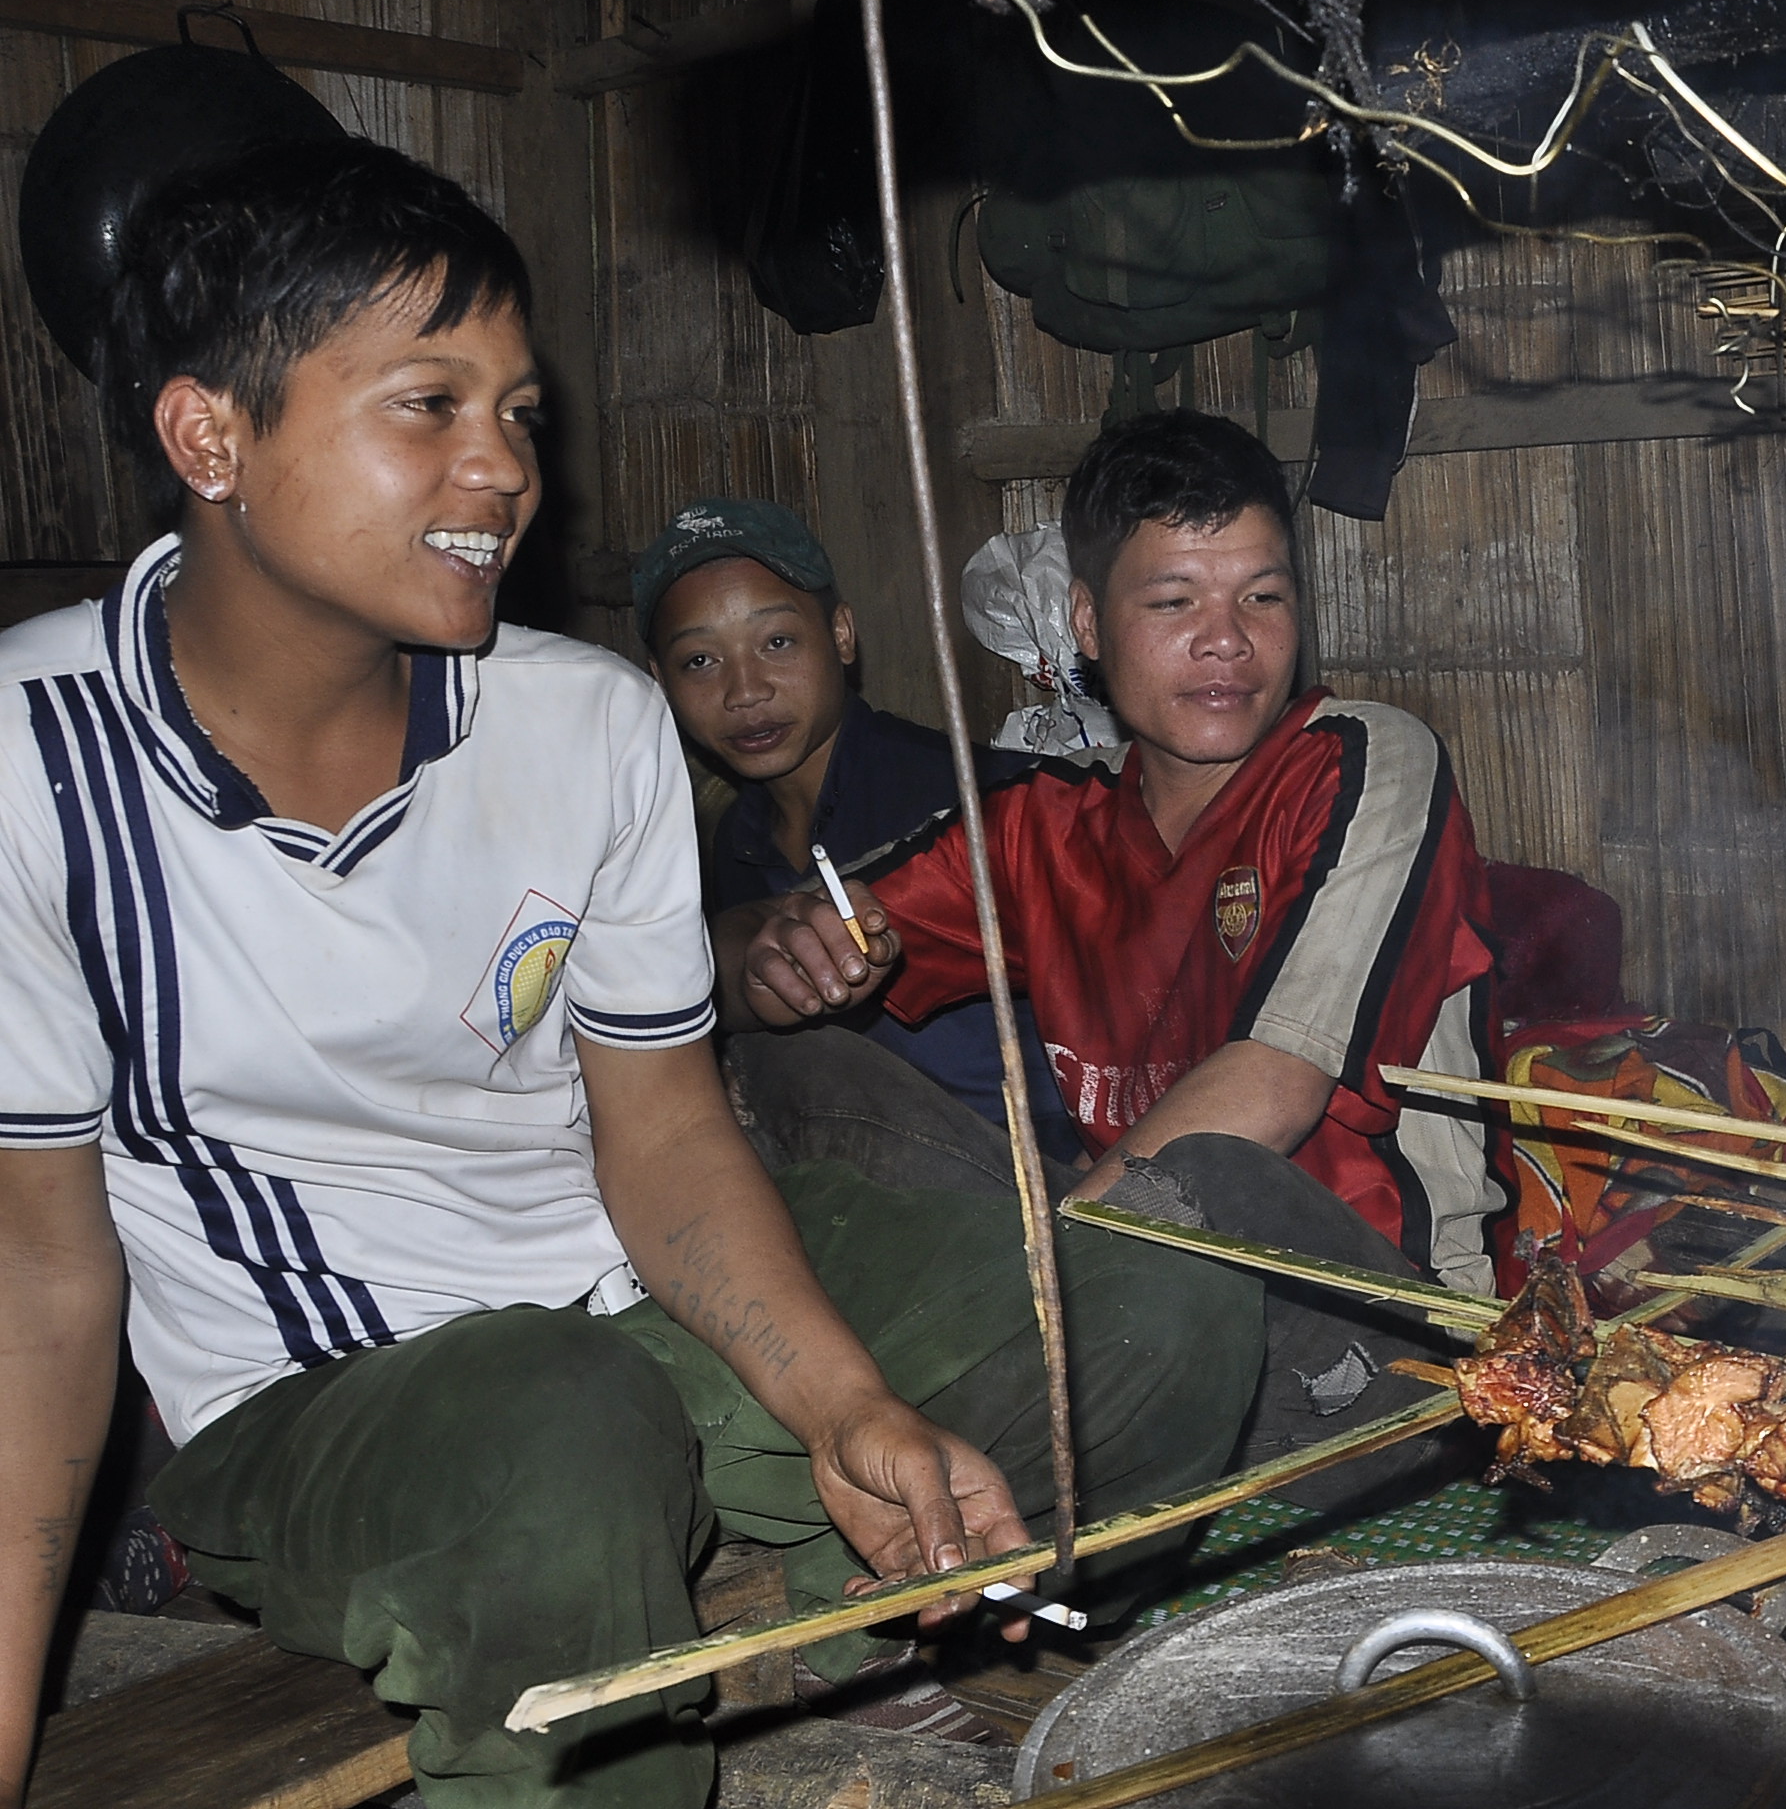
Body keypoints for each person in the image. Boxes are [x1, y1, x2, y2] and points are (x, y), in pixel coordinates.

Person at [0, 140, 1261, 1809]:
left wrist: (840, 1401)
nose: (500, 470)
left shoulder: (584, 716)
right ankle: (618, 1616)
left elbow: (662, 1136)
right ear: (209, 435)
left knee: (1166, 1316)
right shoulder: (35, 755)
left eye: (517, 414)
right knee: (568, 1434)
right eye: (427, 404)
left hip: (625, 1310)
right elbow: (42, 1285)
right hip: (336, 1397)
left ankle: (790, 1625)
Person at [714, 410, 1500, 1497]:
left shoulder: (1364, 760)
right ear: (1087, 620)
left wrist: (1038, 1275)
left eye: (1262, 598)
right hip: (1128, 1285)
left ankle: (1011, 1381)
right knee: (794, 1068)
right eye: (1175, 602)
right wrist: (769, 954)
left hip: (1367, 1324)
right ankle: (993, 1384)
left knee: (1214, 1172)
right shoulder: (1045, 826)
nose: (1227, 640)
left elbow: (1274, 1086)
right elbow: (764, 954)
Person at [634, 498, 1077, 1169]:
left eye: (777, 642)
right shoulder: (731, 841)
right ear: (658, 681)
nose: (745, 691)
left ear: (841, 635)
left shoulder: (975, 798)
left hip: (1028, 1187)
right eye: (701, 661)